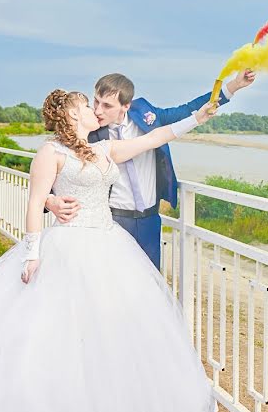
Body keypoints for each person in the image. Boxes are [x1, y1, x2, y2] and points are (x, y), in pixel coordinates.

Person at [0, 89, 220, 412]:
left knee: (113, 336)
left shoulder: (105, 149)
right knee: (56, 341)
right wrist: (32, 251)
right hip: (67, 248)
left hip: (109, 245)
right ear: (70, 114)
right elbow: (33, 203)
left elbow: (155, 138)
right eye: (87, 106)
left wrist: (198, 117)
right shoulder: (50, 152)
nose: (95, 110)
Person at [45, 69, 256, 268]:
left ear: (125, 106)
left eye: (107, 105)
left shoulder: (146, 114)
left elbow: (187, 110)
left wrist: (234, 86)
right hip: (112, 220)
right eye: (96, 102)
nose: (98, 111)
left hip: (150, 220)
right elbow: (56, 165)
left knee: (150, 282)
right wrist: (49, 200)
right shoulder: (90, 133)